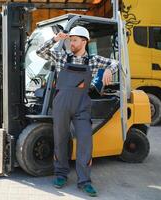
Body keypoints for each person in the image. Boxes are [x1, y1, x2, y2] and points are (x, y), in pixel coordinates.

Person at [36, 26, 118, 197]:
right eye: (70, 40)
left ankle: (84, 181)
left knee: (85, 142)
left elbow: (116, 62)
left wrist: (109, 70)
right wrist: (55, 39)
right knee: (60, 140)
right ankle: (60, 174)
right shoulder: (61, 57)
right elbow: (39, 51)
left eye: (74, 40)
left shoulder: (94, 61)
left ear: (84, 41)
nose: (71, 43)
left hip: (82, 106)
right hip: (61, 105)